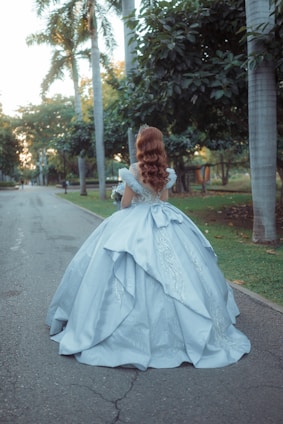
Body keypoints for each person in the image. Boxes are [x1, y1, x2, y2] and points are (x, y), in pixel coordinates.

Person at [46, 126, 251, 370]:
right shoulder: (165, 171)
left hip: (135, 221)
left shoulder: (133, 170)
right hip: (164, 219)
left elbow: (125, 204)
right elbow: (163, 200)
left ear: (141, 146)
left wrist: (123, 193)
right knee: (182, 268)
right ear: (159, 146)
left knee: (118, 266)